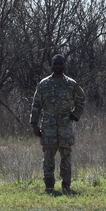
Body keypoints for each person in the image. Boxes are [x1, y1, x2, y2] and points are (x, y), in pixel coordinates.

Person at [30, 54, 86, 193]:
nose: (58, 66)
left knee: (66, 156)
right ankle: (49, 186)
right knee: (48, 156)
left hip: (65, 125)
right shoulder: (44, 84)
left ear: (64, 65)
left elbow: (81, 100)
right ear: (52, 65)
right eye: (55, 64)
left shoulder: (71, 84)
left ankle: (66, 186)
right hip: (48, 125)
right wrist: (34, 124)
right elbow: (36, 104)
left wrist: (75, 114)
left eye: (60, 64)